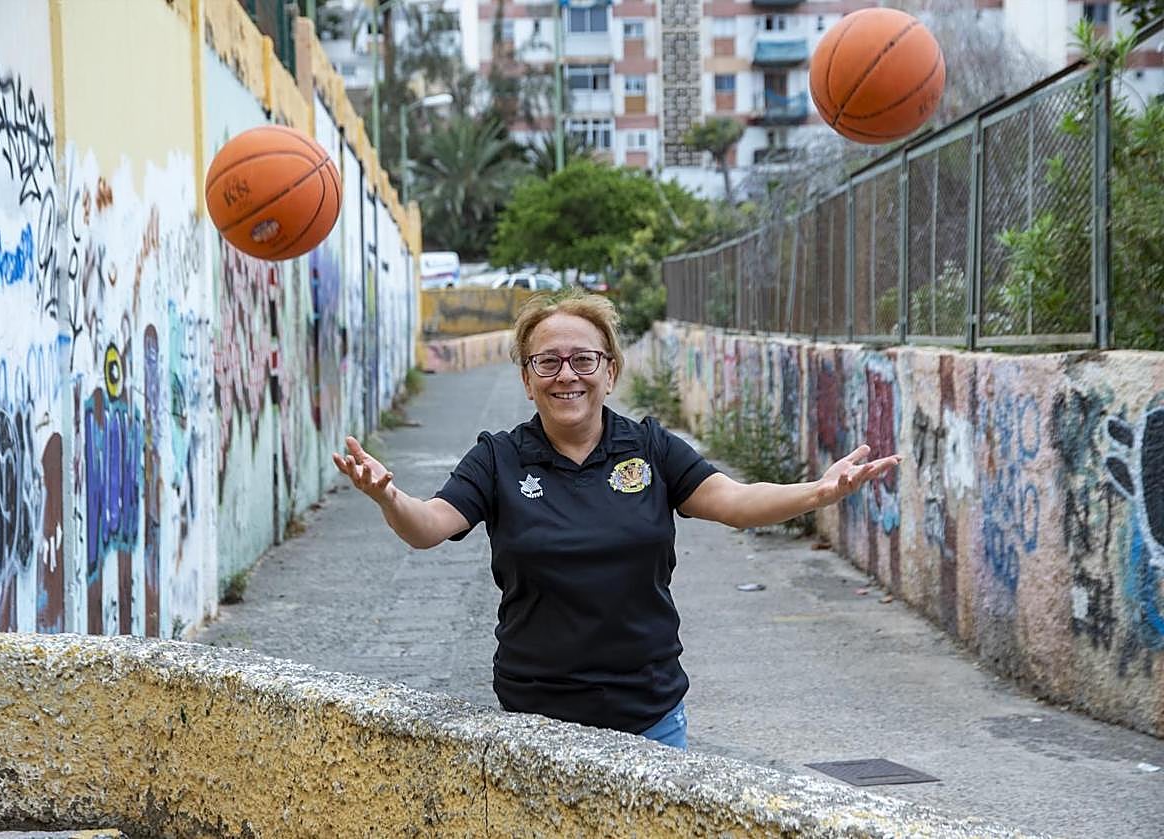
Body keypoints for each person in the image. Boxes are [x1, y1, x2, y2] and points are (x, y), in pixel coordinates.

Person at [332, 289, 901, 749]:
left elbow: (734, 502)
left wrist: (819, 492)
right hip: (536, 722)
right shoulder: (498, 458)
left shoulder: (649, 447)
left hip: (649, 713)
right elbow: (429, 525)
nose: (566, 374)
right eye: (547, 361)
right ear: (527, 379)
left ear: (610, 372)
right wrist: (390, 499)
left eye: (583, 359)